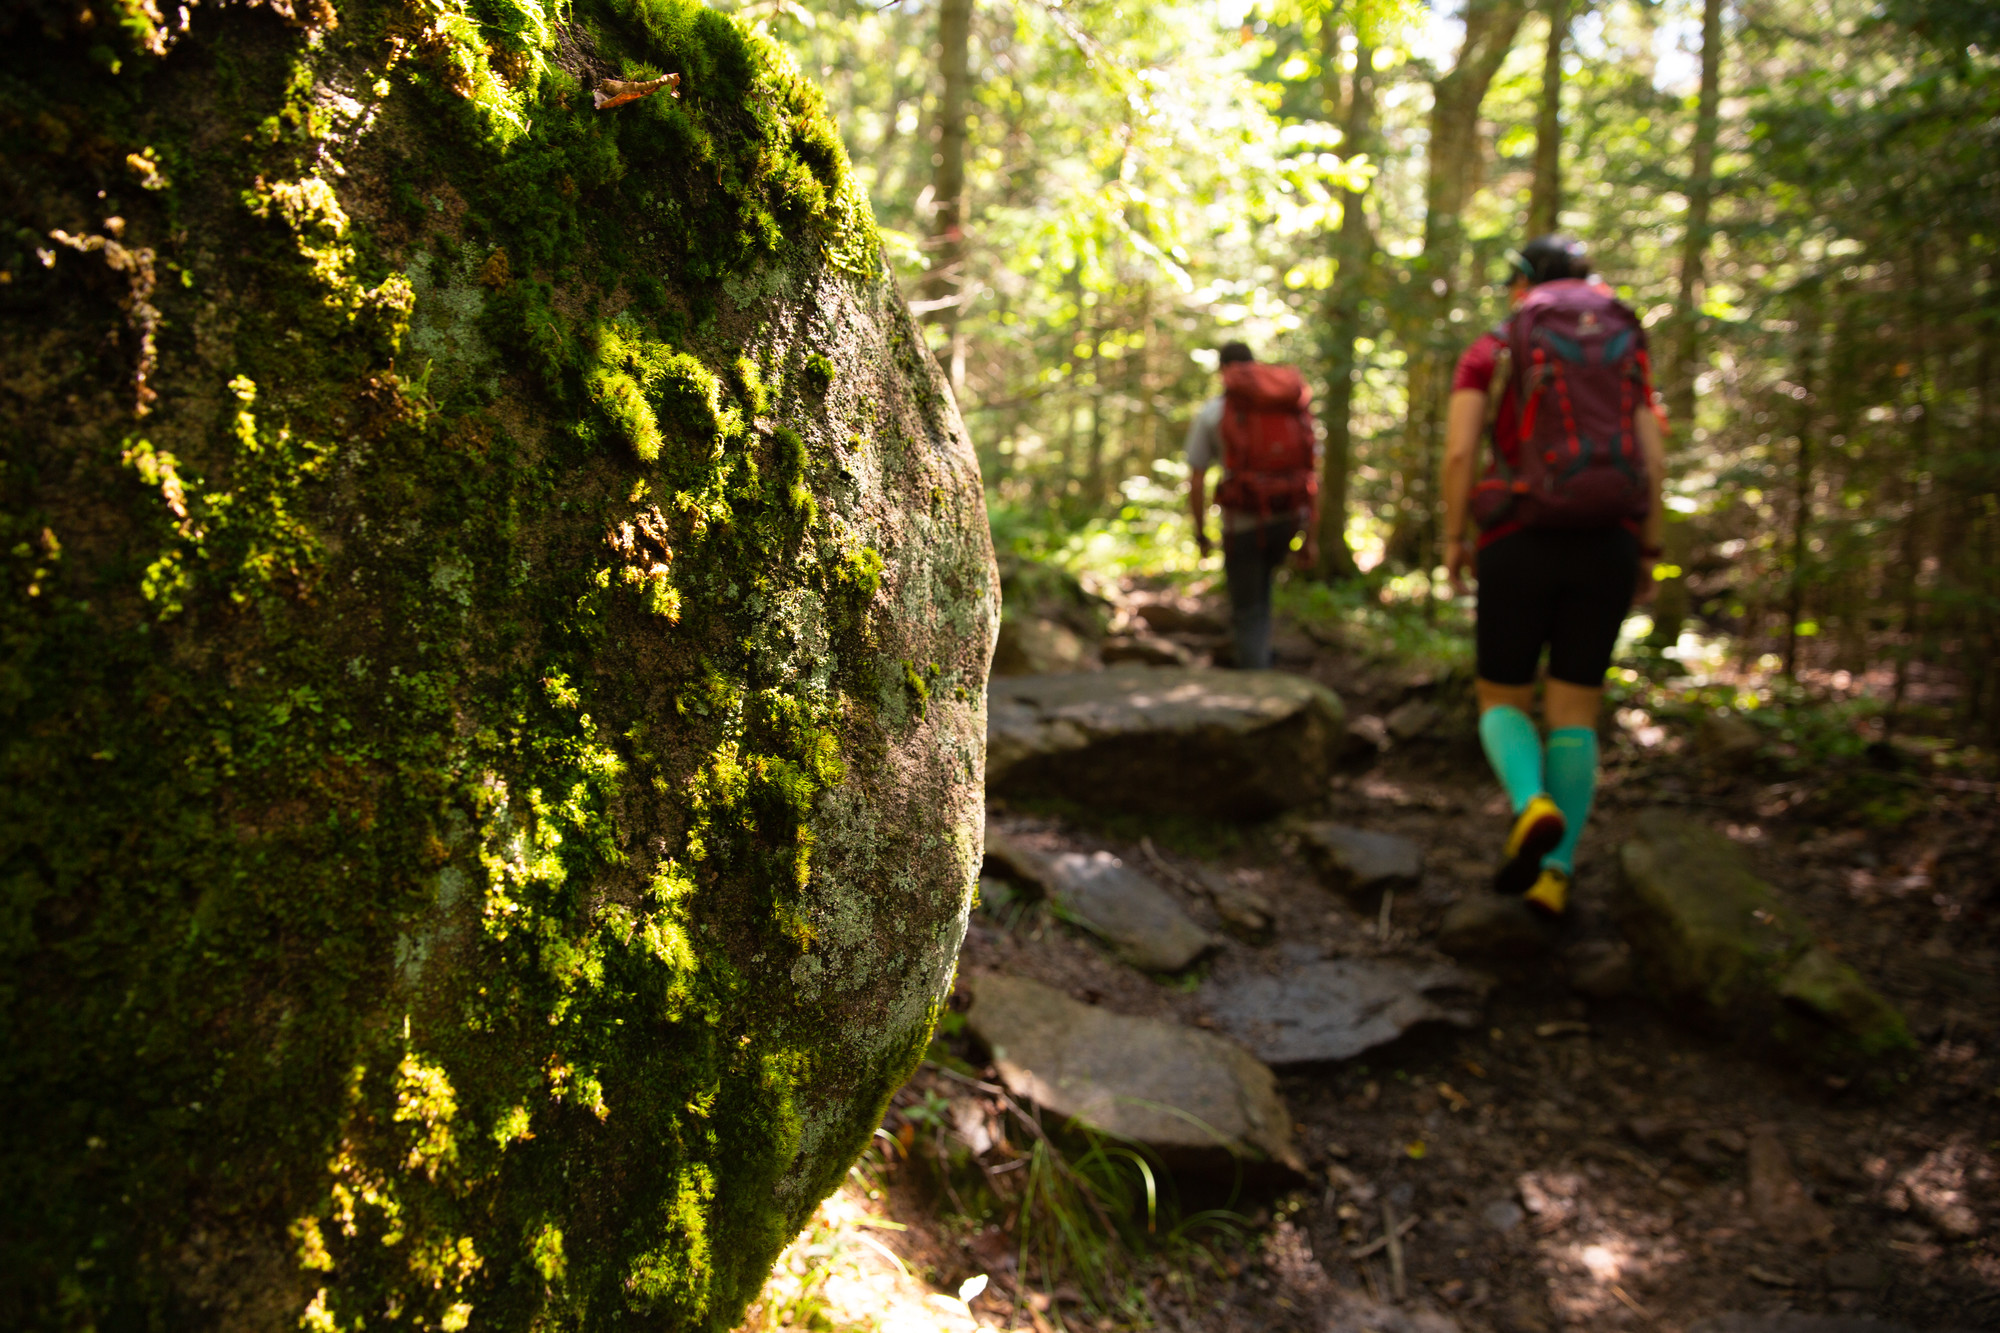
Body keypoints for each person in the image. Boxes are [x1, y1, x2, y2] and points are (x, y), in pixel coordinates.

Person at [1440, 236, 1668, 918]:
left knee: (1501, 696)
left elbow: (1459, 451)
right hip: (1609, 541)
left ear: (1522, 284)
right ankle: (1555, 874)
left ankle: (1528, 801)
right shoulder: (1624, 344)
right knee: (1577, 709)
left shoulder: (1496, 346)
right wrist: (1650, 547)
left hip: (1518, 536)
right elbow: (1653, 456)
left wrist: (1455, 536)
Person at [1186, 341, 1321, 670]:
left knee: (1247, 605)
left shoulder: (1213, 412)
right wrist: (1310, 536)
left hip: (1241, 522)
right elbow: (1315, 474)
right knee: (1262, 591)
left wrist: (1201, 532)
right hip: (1288, 517)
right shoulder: (1289, 407)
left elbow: (1197, 478)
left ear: (1222, 371)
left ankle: (1255, 681)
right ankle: (1260, 657)